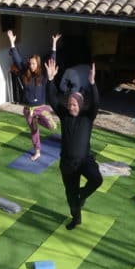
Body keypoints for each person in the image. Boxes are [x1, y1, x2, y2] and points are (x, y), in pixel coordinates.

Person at [45, 58, 103, 230]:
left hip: (85, 160)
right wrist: (50, 80)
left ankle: (82, 195)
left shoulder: (88, 116)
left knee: (97, 179)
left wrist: (92, 84)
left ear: (81, 104)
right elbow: (53, 98)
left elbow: (96, 103)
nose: (72, 106)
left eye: (75, 104)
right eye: (70, 104)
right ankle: (76, 218)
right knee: (71, 198)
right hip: (67, 164)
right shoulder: (64, 115)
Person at [8, 30, 61, 161]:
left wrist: (54, 44)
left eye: (34, 64)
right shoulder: (24, 73)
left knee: (52, 127)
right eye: (30, 63)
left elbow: (52, 62)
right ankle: (37, 151)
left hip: (41, 108)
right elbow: (17, 58)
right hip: (28, 110)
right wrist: (12, 42)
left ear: (37, 64)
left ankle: (44, 117)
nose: (31, 66)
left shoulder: (42, 76)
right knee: (34, 131)